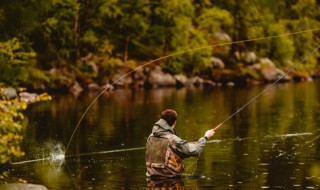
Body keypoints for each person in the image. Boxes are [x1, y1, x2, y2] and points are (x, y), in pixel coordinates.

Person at [145, 109, 215, 178]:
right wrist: (205, 137)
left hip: (150, 181)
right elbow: (196, 150)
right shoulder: (173, 139)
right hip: (170, 181)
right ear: (175, 122)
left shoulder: (150, 137)